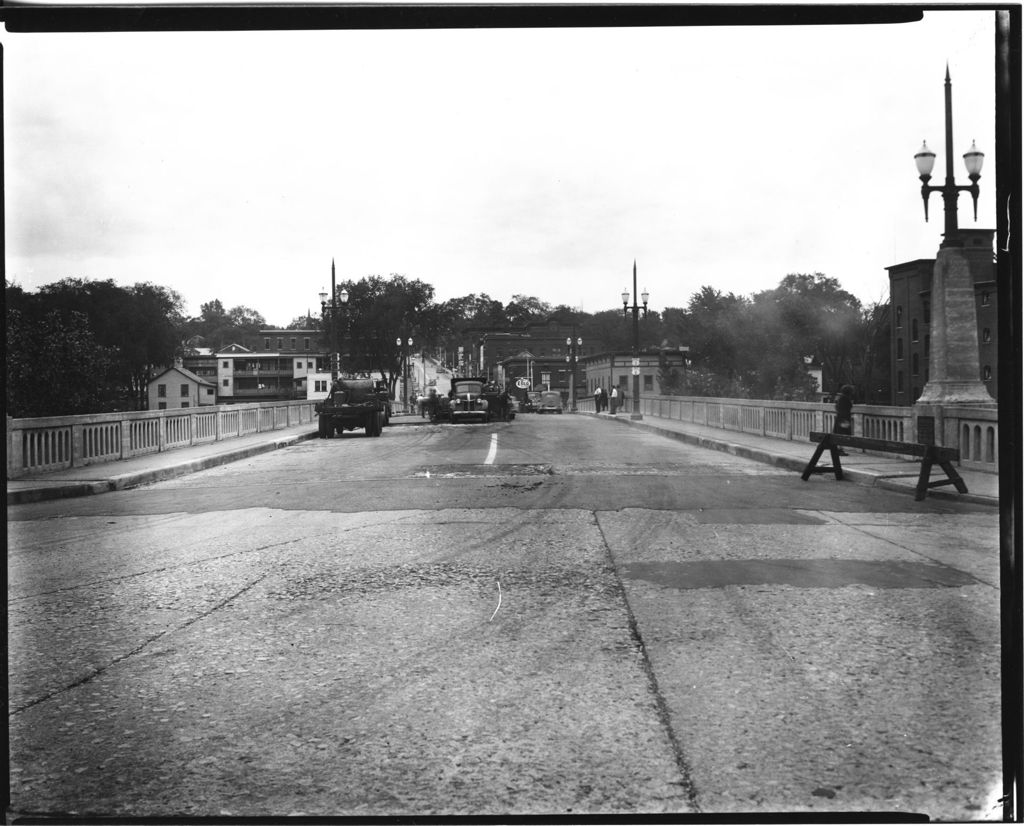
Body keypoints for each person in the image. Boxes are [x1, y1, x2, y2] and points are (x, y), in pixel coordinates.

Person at [832, 384, 855, 455]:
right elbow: (847, 409)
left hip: (840, 418)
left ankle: (839, 450)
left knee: (840, 434)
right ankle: (840, 450)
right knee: (842, 434)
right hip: (843, 419)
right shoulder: (845, 399)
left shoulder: (840, 398)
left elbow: (836, 407)